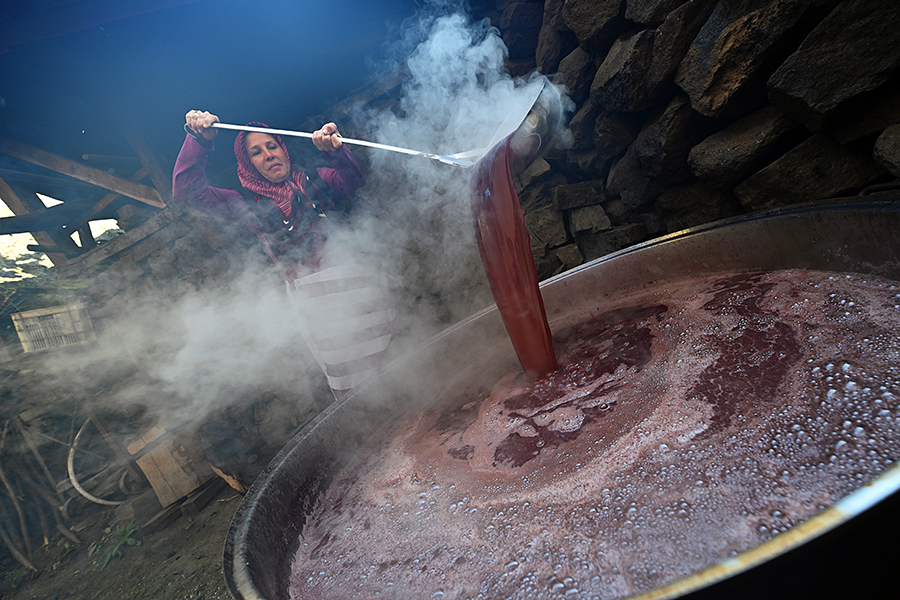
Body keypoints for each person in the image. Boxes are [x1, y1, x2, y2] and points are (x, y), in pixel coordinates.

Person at [172, 110, 393, 400]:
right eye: (256, 152)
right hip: (317, 307)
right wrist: (198, 141)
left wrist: (336, 152)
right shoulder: (245, 204)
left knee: (393, 367)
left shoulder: (318, 177)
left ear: (283, 148)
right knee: (354, 386)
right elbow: (187, 193)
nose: (268, 155)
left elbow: (353, 181)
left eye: (272, 146)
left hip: (359, 285)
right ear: (248, 164)